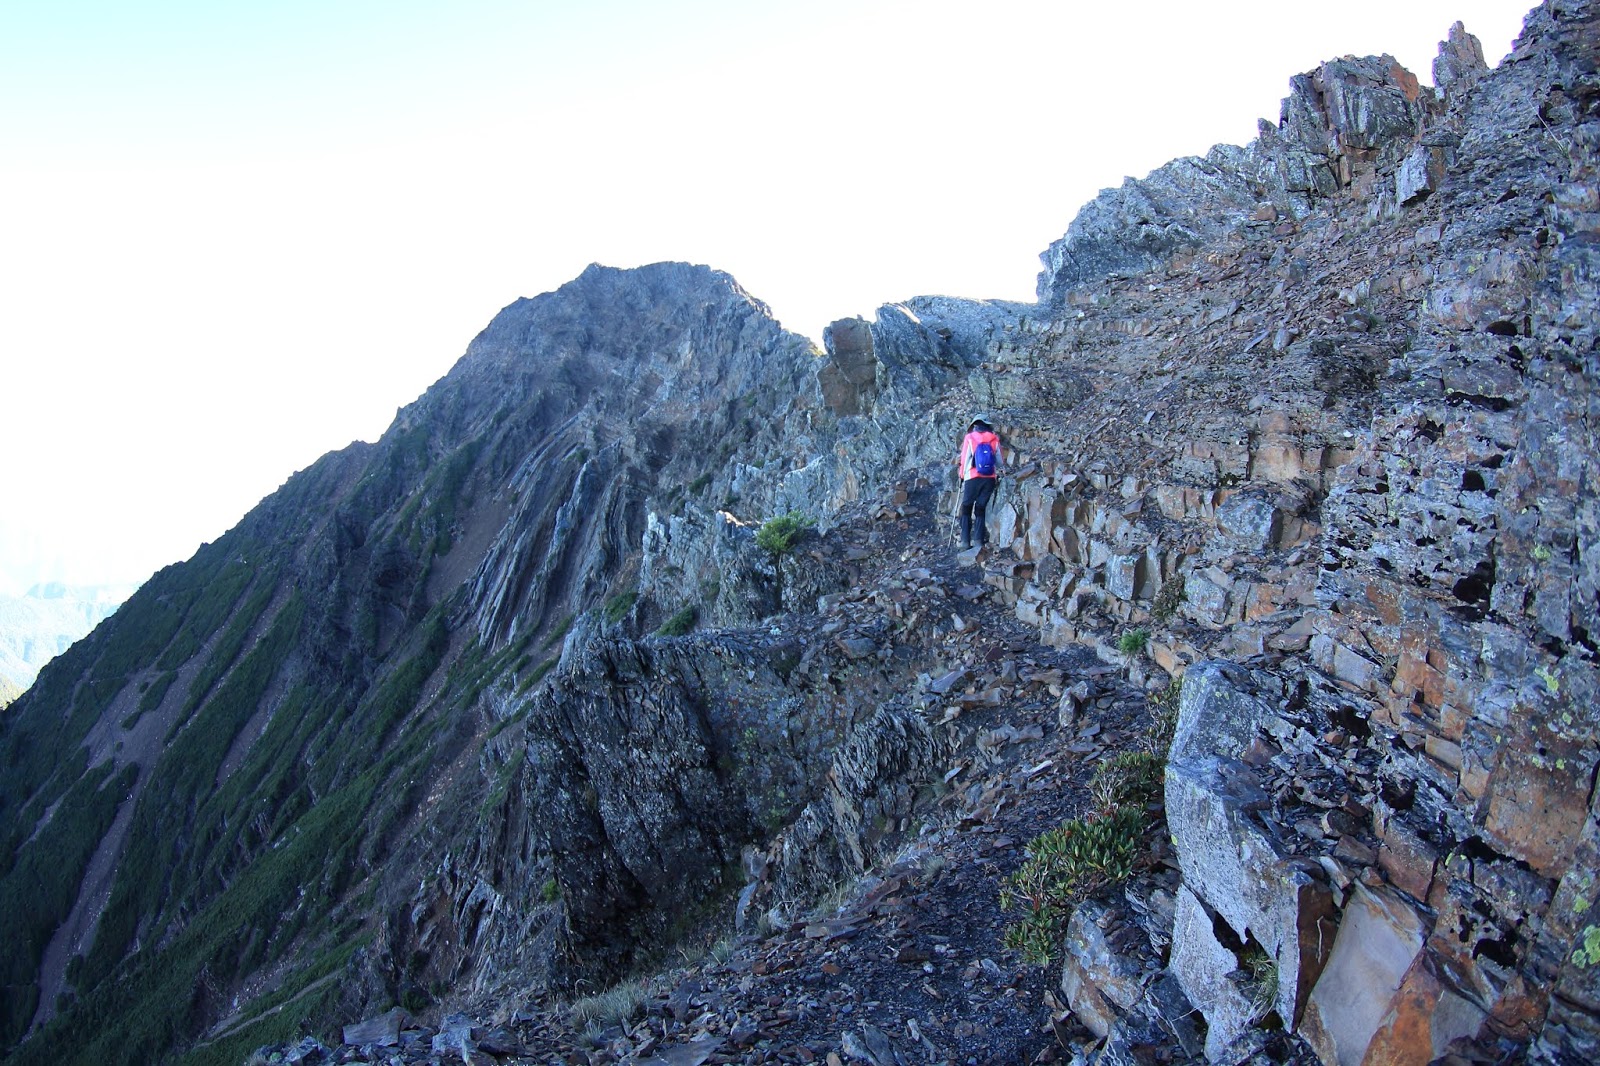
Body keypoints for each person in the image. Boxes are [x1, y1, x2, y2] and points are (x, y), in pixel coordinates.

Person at [956, 417, 1002, 551]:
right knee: (980, 508)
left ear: (975, 425)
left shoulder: (970, 437)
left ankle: (965, 540)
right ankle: (978, 541)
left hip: (972, 477)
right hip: (989, 478)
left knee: (966, 507)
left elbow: (965, 459)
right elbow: (999, 461)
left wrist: (961, 475)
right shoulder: (994, 438)